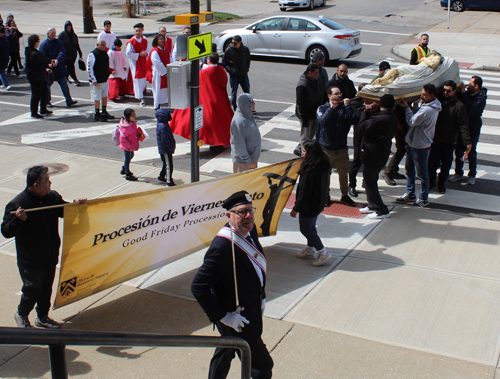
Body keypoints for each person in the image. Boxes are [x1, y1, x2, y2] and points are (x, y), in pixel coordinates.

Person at [191, 190, 273, 379]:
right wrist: (223, 316)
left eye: (250, 210)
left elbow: (255, 266)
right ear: (228, 215)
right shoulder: (222, 247)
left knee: (226, 350)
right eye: (242, 212)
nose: (248, 216)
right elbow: (198, 287)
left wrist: (262, 295)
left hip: (250, 306)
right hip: (237, 317)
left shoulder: (249, 229)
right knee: (262, 366)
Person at [1, 165, 86, 329]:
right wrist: (19, 220)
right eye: (47, 180)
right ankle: (22, 314)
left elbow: (64, 211)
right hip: (30, 260)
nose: (50, 183)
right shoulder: (18, 204)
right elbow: (6, 231)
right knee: (32, 289)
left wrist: (77, 205)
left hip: (50, 255)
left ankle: (42, 317)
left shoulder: (51, 197)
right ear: (36, 185)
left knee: (46, 289)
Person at [170, 53, 233, 149]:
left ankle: (211, 142)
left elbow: (198, 80)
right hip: (219, 100)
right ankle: (219, 143)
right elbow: (212, 70)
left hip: (208, 100)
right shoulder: (220, 69)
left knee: (203, 122)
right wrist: (202, 65)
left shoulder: (204, 73)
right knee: (220, 123)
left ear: (208, 60)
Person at [397, 84, 441, 207]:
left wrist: (407, 108)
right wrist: (415, 106)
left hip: (420, 145)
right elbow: (417, 117)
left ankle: (423, 198)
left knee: (422, 174)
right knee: (409, 170)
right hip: (414, 143)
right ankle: (410, 193)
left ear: (431, 96)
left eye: (424, 95)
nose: (421, 96)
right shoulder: (429, 105)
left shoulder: (428, 109)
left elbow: (412, 121)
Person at [291, 140, 332, 266]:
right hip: (318, 202)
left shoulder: (309, 169)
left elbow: (304, 191)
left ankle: (323, 253)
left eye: (304, 151)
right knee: (311, 227)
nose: (302, 153)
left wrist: (296, 208)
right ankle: (310, 250)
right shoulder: (323, 165)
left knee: (306, 229)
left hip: (308, 205)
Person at [358, 94, 398, 219]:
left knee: (369, 181)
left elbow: (361, 128)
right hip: (381, 153)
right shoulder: (392, 117)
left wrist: (366, 112)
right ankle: (372, 204)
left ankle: (381, 209)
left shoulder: (379, 119)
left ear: (381, 105)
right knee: (372, 179)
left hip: (373, 154)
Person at [317, 86, 358, 206]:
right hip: (326, 149)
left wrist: (347, 107)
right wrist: (331, 108)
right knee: (326, 174)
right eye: (336, 94)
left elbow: (353, 120)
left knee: (343, 173)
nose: (339, 96)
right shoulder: (322, 108)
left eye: (340, 93)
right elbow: (323, 122)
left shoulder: (344, 108)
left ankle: (345, 195)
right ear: (329, 96)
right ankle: (325, 195)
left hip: (342, 148)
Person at [428, 80, 470, 193]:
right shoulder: (438, 101)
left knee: (446, 166)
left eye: (448, 91)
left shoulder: (459, 106)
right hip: (435, 140)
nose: (446, 92)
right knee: (431, 164)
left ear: (454, 91)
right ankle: (431, 182)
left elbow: (463, 125)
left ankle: (441, 184)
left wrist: (467, 141)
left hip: (448, 142)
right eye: (444, 90)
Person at [449, 76, 487, 186]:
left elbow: (472, 109)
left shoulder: (481, 97)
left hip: (473, 128)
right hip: (462, 126)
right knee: (459, 150)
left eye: (470, 83)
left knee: (471, 151)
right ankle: (458, 173)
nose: (468, 85)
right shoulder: (467, 94)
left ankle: (472, 175)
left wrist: (464, 94)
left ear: (476, 86)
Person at [39, 27, 77, 107]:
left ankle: (69, 100)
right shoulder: (43, 45)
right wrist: (49, 62)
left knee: (64, 84)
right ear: (48, 34)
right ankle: (47, 101)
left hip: (59, 68)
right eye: (52, 33)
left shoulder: (59, 42)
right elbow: (42, 56)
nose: (53, 34)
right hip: (49, 69)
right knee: (47, 86)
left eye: (54, 33)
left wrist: (57, 60)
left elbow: (62, 52)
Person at [293, 63, 322, 157]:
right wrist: (304, 119)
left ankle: (300, 148)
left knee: (312, 133)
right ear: (310, 73)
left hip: (314, 114)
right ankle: (304, 155)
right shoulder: (303, 85)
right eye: (316, 73)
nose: (318, 74)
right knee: (305, 137)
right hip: (306, 115)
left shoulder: (313, 80)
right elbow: (300, 103)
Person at [230, 93, 260, 173]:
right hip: (244, 163)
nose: (254, 104)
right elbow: (239, 145)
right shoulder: (239, 122)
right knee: (243, 185)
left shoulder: (247, 115)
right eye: (252, 102)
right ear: (246, 104)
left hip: (250, 161)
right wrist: (249, 160)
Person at [347, 83, 368, 197]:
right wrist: (366, 109)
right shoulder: (355, 103)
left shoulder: (373, 103)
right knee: (357, 161)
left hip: (369, 138)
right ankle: (352, 185)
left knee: (369, 162)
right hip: (359, 139)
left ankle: (366, 181)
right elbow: (356, 119)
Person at [25, 34, 52, 119]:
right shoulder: (36, 54)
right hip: (37, 77)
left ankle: (43, 109)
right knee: (36, 95)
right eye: (38, 41)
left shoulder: (28, 51)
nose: (38, 43)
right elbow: (45, 60)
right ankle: (34, 112)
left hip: (35, 76)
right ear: (35, 43)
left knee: (44, 92)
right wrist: (51, 62)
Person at [221, 35, 251, 111]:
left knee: (247, 92)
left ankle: (249, 107)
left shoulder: (245, 49)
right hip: (234, 76)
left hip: (244, 75)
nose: (233, 44)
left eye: (235, 43)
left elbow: (248, 60)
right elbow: (224, 62)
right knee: (234, 92)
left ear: (240, 42)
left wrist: (246, 69)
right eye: (232, 43)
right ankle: (234, 107)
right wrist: (230, 70)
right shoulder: (229, 50)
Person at [87, 39, 114, 122]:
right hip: (97, 81)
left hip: (105, 80)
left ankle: (104, 111)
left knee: (104, 96)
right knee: (97, 98)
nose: (103, 47)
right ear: (97, 45)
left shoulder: (105, 53)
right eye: (102, 45)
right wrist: (93, 79)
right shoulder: (92, 54)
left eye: (104, 45)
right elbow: (89, 68)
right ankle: (97, 113)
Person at [126, 23, 150, 107]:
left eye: (140, 30)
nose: (138, 32)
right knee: (137, 80)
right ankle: (140, 98)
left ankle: (142, 92)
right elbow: (128, 53)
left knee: (144, 78)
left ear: (142, 31)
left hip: (143, 61)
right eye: (136, 31)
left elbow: (148, 50)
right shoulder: (131, 42)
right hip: (136, 62)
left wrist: (146, 54)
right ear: (134, 31)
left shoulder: (144, 40)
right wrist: (139, 55)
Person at [146, 34, 172, 110]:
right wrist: (165, 71)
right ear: (156, 41)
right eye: (160, 39)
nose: (162, 40)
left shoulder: (166, 49)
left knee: (166, 89)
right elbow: (156, 62)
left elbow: (170, 59)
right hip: (158, 72)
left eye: (163, 39)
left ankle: (168, 103)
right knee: (158, 89)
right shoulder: (155, 51)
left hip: (166, 71)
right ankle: (157, 106)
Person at [118, 108, 141, 181]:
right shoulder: (127, 128)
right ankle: (127, 173)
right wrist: (128, 145)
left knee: (131, 155)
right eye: (132, 115)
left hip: (130, 145)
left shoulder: (133, 123)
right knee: (127, 159)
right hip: (127, 146)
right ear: (128, 118)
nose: (134, 116)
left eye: (134, 114)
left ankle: (125, 168)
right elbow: (122, 137)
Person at [58, 20, 82, 86]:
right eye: (67, 26)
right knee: (70, 67)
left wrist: (80, 53)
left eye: (69, 26)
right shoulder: (62, 35)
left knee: (70, 67)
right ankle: (75, 79)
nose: (68, 27)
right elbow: (58, 45)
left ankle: (66, 77)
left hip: (73, 54)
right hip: (65, 55)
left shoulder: (74, 35)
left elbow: (77, 45)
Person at [155, 108, 176, 186]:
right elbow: (164, 140)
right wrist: (170, 147)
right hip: (166, 150)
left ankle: (161, 176)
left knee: (166, 164)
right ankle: (169, 180)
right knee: (169, 165)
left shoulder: (162, 124)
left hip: (165, 149)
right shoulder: (163, 126)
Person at [0, 25, 12, 90]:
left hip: (4, 58)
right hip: (1, 58)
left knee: (2, 72)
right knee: (2, 72)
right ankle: (6, 84)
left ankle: (1, 83)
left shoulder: (5, 39)